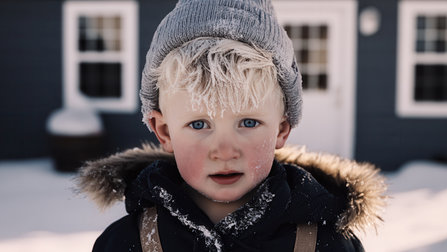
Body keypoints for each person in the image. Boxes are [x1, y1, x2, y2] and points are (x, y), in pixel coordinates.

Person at [78, 0, 387, 251]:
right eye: (199, 124)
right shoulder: (126, 242)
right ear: (164, 131)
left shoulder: (326, 243)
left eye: (248, 122)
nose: (224, 151)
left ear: (281, 128)